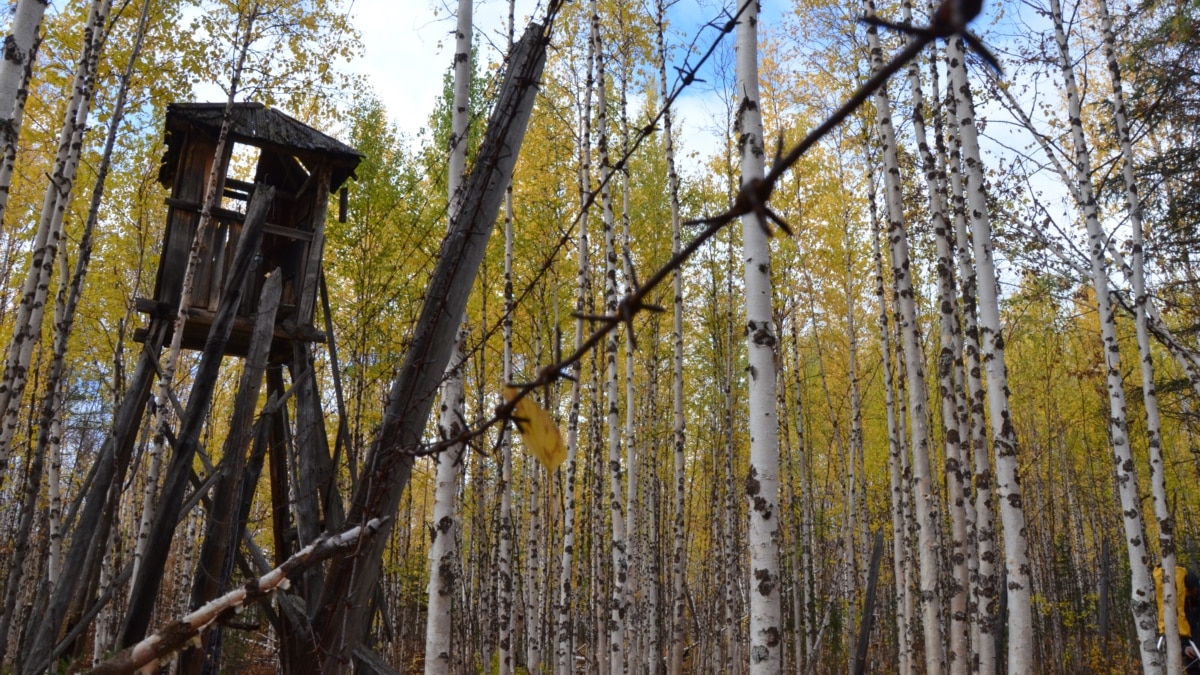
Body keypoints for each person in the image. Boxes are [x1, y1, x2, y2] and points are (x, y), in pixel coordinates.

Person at [1155, 564, 1200, 674]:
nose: (1188, 594)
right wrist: (1185, 647)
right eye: (1186, 591)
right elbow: (1180, 629)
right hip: (1193, 655)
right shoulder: (1181, 609)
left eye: (1190, 591)